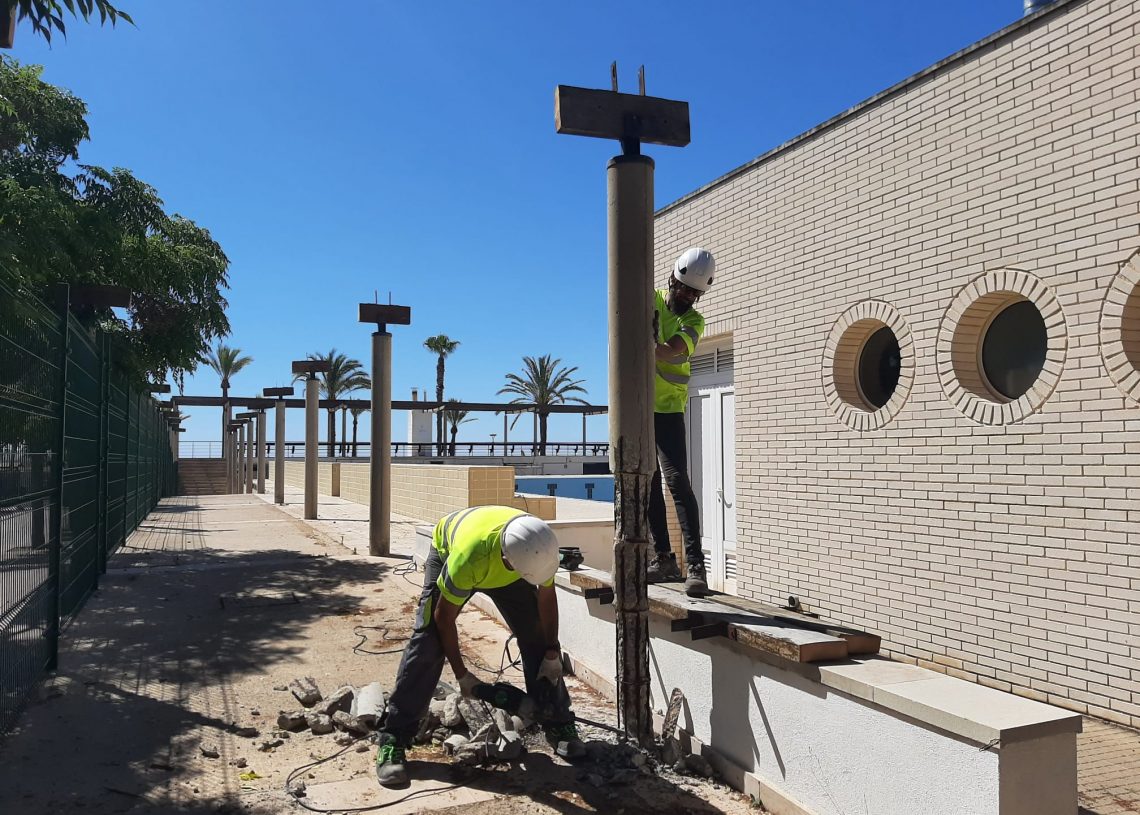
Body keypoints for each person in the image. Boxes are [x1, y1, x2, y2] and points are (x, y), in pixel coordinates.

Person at [374, 505, 584, 787]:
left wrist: (551, 651)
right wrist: (464, 677)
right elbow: (443, 618)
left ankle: (557, 720)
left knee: (536, 635)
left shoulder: (539, 548)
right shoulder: (468, 559)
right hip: (454, 549)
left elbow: (546, 598)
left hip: (504, 563)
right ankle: (394, 737)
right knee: (428, 642)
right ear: (507, 560)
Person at [646, 247, 715, 597]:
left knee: (676, 481)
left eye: (695, 293)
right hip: (639, 407)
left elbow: (671, 350)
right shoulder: (651, 299)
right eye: (684, 288)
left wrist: (651, 341)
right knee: (646, 482)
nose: (688, 296)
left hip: (668, 409)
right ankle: (663, 558)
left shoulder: (694, 321)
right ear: (672, 278)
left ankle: (696, 565)